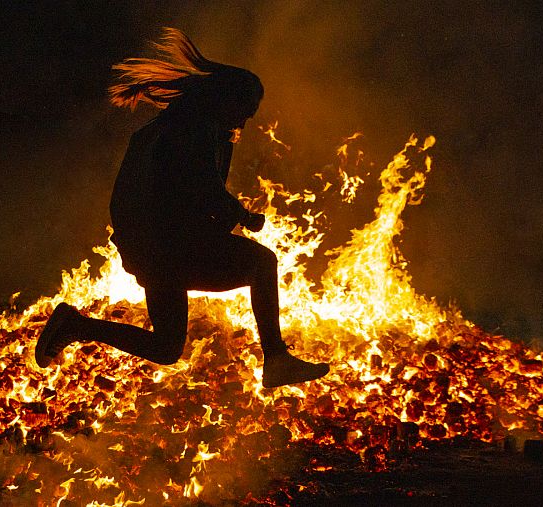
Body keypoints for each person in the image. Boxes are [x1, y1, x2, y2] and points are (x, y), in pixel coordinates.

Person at [35, 28, 328, 388]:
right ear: (224, 100)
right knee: (261, 263)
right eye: (244, 111)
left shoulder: (180, 127)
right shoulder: (193, 129)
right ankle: (277, 360)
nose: (244, 121)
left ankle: (74, 326)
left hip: (155, 251)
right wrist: (243, 216)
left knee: (165, 347)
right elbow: (201, 188)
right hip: (168, 247)